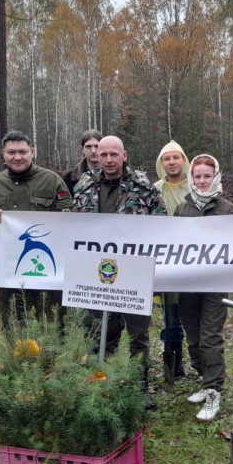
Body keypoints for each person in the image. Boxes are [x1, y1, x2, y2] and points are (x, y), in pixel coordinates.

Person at [72, 135, 166, 408]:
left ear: (124, 156)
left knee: (138, 334)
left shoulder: (143, 186)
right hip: (97, 272)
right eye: (104, 155)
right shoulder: (85, 184)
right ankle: (103, 383)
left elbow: (162, 224)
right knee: (101, 331)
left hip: (135, 273)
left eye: (114, 154)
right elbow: (72, 223)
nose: (109, 160)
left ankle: (140, 387)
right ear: (96, 156)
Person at [0, 130, 72, 328]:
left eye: (23, 152)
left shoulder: (52, 180)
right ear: (3, 154)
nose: (17, 157)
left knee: (52, 324)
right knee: (10, 323)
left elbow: (69, 218)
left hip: (47, 268)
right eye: (11, 152)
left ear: (32, 152)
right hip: (10, 268)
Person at [174, 154, 233, 421]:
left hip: (215, 284)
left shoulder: (227, 209)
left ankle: (214, 392)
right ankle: (204, 379)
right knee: (193, 336)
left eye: (207, 176)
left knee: (210, 337)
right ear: (191, 178)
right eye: (197, 176)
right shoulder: (182, 209)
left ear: (216, 177)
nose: (202, 181)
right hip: (188, 284)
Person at [153, 141, 190, 381]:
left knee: (193, 316)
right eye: (167, 159)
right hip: (165, 261)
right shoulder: (155, 189)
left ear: (183, 160)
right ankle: (174, 367)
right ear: (161, 163)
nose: (172, 162)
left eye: (176, 157)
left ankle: (202, 364)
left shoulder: (196, 186)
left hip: (193, 260)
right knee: (170, 317)